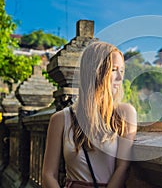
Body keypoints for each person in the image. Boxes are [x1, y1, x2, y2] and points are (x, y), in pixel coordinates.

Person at [42, 42, 137, 188]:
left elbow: (122, 167)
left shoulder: (125, 114)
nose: (120, 77)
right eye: (113, 70)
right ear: (95, 71)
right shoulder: (61, 119)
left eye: (122, 71)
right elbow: (48, 174)